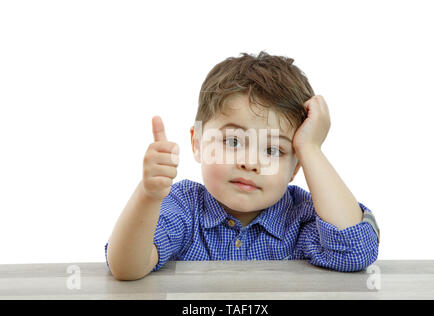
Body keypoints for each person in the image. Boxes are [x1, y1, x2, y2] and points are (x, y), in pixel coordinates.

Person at [105, 51, 380, 280]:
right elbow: (126, 268)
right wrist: (148, 194)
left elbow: (354, 251)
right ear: (198, 143)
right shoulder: (182, 207)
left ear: (297, 167)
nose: (249, 163)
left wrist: (311, 149)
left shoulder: (302, 216)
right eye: (233, 141)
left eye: (273, 149)